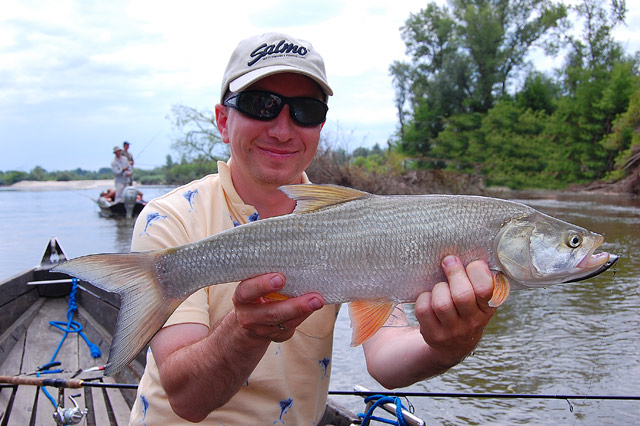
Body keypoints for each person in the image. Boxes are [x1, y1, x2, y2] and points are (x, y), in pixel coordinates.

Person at [128, 32, 496, 425]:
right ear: (223, 120)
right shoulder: (168, 219)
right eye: (261, 105)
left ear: (320, 126)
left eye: (305, 111)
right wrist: (246, 330)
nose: (283, 129)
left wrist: (449, 345)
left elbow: (388, 362)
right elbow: (188, 399)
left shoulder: (358, 221)